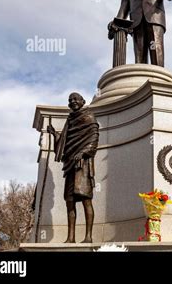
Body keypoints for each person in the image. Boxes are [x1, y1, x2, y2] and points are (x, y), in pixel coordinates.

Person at [47, 93, 99, 243]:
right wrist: (54, 134)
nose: (73, 102)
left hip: (83, 166)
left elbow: (94, 139)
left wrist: (83, 153)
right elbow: (65, 142)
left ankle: (88, 237)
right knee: (69, 202)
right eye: (70, 100)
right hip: (70, 165)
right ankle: (71, 237)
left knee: (86, 200)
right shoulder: (70, 120)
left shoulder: (89, 117)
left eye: (75, 99)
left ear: (83, 101)